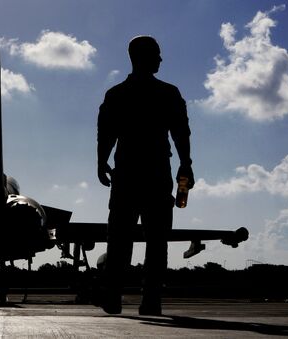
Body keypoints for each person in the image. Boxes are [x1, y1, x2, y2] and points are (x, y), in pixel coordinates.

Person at [96, 36, 194, 315]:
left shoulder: (117, 94)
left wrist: (101, 161)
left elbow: (106, 132)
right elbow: (181, 132)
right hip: (154, 173)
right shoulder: (168, 93)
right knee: (156, 240)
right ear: (145, 56)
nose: (161, 60)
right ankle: (150, 299)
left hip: (126, 173)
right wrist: (186, 164)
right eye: (157, 55)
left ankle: (114, 296)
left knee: (119, 239)